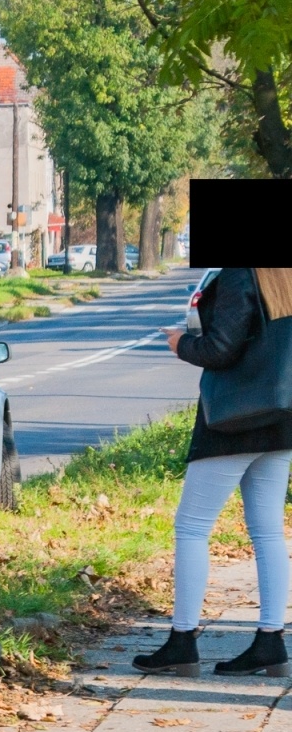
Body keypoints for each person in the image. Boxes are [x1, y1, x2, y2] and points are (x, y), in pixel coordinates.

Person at [135, 267, 292, 678]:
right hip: (280, 413)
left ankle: (182, 641)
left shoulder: (242, 272)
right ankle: (270, 641)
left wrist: (179, 343)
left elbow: (220, 349)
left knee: (191, 527)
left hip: (233, 419)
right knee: (268, 531)